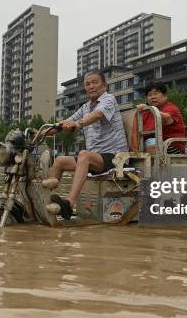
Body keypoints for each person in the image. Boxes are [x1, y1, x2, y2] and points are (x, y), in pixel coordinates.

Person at [47, 70, 128, 220]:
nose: (91, 86)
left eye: (95, 82)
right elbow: (65, 122)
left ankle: (69, 204)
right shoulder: (86, 107)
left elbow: (97, 115)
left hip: (117, 158)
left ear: (104, 85)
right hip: (96, 158)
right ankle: (47, 202)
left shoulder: (108, 99)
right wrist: (42, 132)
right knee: (59, 161)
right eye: (87, 84)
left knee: (83, 154)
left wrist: (77, 124)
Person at [135, 83, 186, 153]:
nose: (153, 97)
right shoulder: (144, 113)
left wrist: (151, 109)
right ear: (146, 99)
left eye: (156, 93)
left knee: (151, 142)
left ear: (165, 95)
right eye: (150, 95)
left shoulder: (171, 108)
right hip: (154, 145)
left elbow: (167, 119)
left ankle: (153, 163)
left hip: (171, 145)